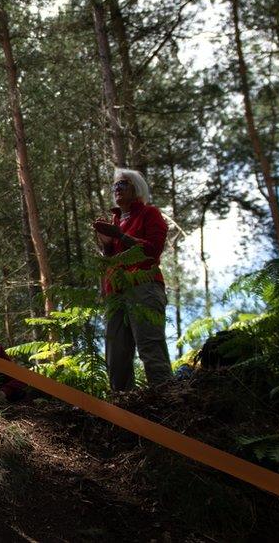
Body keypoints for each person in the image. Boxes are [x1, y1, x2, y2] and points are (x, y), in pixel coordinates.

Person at [93, 168, 172, 392]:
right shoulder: (115, 221)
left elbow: (153, 251)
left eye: (123, 184)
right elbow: (111, 261)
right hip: (115, 294)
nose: (117, 189)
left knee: (150, 346)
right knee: (115, 356)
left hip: (144, 287)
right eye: (114, 186)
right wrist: (107, 244)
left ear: (136, 188)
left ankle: (167, 402)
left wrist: (120, 236)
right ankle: (123, 411)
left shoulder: (150, 213)